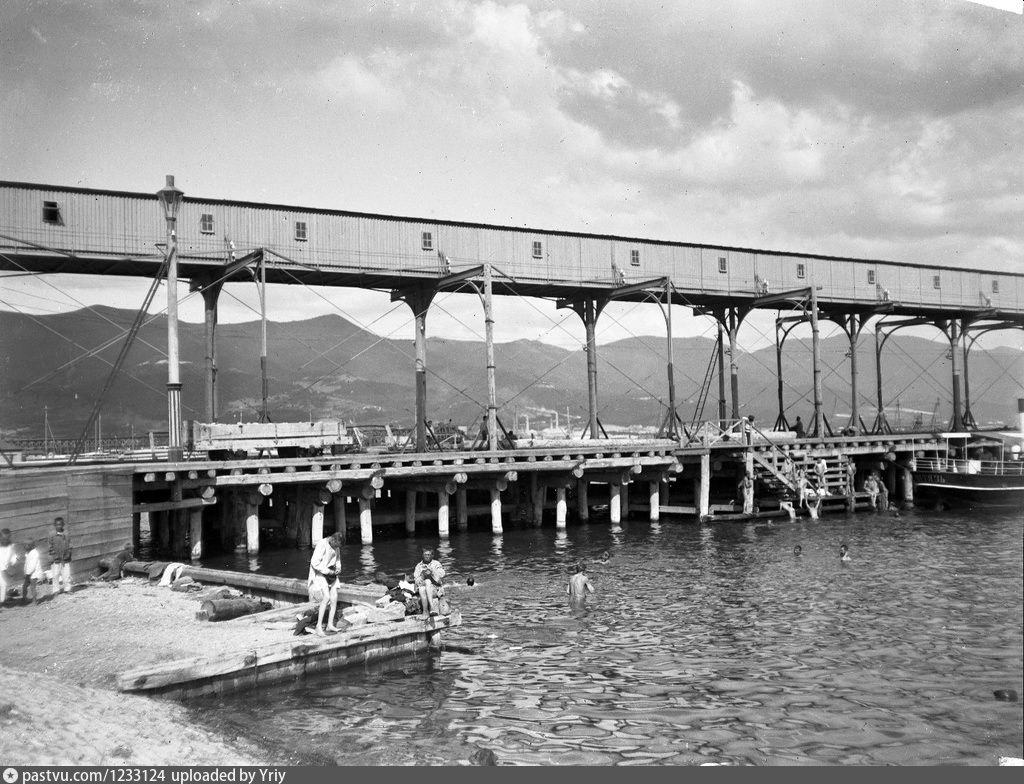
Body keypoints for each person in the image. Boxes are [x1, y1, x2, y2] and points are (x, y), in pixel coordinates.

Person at [307, 532, 344, 635]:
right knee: (326, 597)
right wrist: (327, 571)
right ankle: (318, 627)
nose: (336, 547)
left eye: (338, 546)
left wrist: (338, 568)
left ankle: (330, 625)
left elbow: (338, 559)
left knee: (334, 598)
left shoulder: (337, 546)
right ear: (333, 540)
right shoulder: (322, 544)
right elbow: (314, 562)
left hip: (332, 574)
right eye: (336, 545)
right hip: (320, 573)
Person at [413, 547, 446, 617]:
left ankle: (431, 608)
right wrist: (422, 576)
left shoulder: (436, 563)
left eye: (429, 555)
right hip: (423, 588)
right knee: (422, 588)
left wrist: (432, 571)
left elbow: (442, 574)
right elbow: (416, 580)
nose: (427, 556)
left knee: (428, 581)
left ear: (432, 555)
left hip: (435, 588)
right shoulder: (419, 566)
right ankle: (426, 611)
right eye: (425, 554)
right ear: (422, 555)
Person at [47, 516, 73, 594]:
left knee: (66, 574)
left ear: (63, 525)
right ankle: (56, 590)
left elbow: (70, 544)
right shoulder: (52, 535)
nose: (59, 526)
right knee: (55, 575)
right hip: (56, 558)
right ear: (55, 525)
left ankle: (67, 589)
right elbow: (50, 546)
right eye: (57, 525)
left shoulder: (66, 534)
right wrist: (54, 555)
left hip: (65, 558)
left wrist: (69, 553)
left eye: (60, 524)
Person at [22, 539, 45, 604]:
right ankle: (24, 599)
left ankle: (35, 601)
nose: (24, 546)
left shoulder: (35, 553)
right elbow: (26, 564)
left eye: (25, 545)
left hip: (33, 573)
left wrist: (28, 573)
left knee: (32, 587)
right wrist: (25, 572)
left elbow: (32, 565)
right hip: (28, 573)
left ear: (30, 546)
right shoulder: (28, 553)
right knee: (25, 586)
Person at [0, 528, 15, 605]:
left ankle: (2, 600)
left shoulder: (11, 546)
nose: (6, 540)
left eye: (8, 538)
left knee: (4, 584)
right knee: (3, 583)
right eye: (4, 539)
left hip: (5, 568)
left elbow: (13, 555)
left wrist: (14, 561)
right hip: (1, 568)